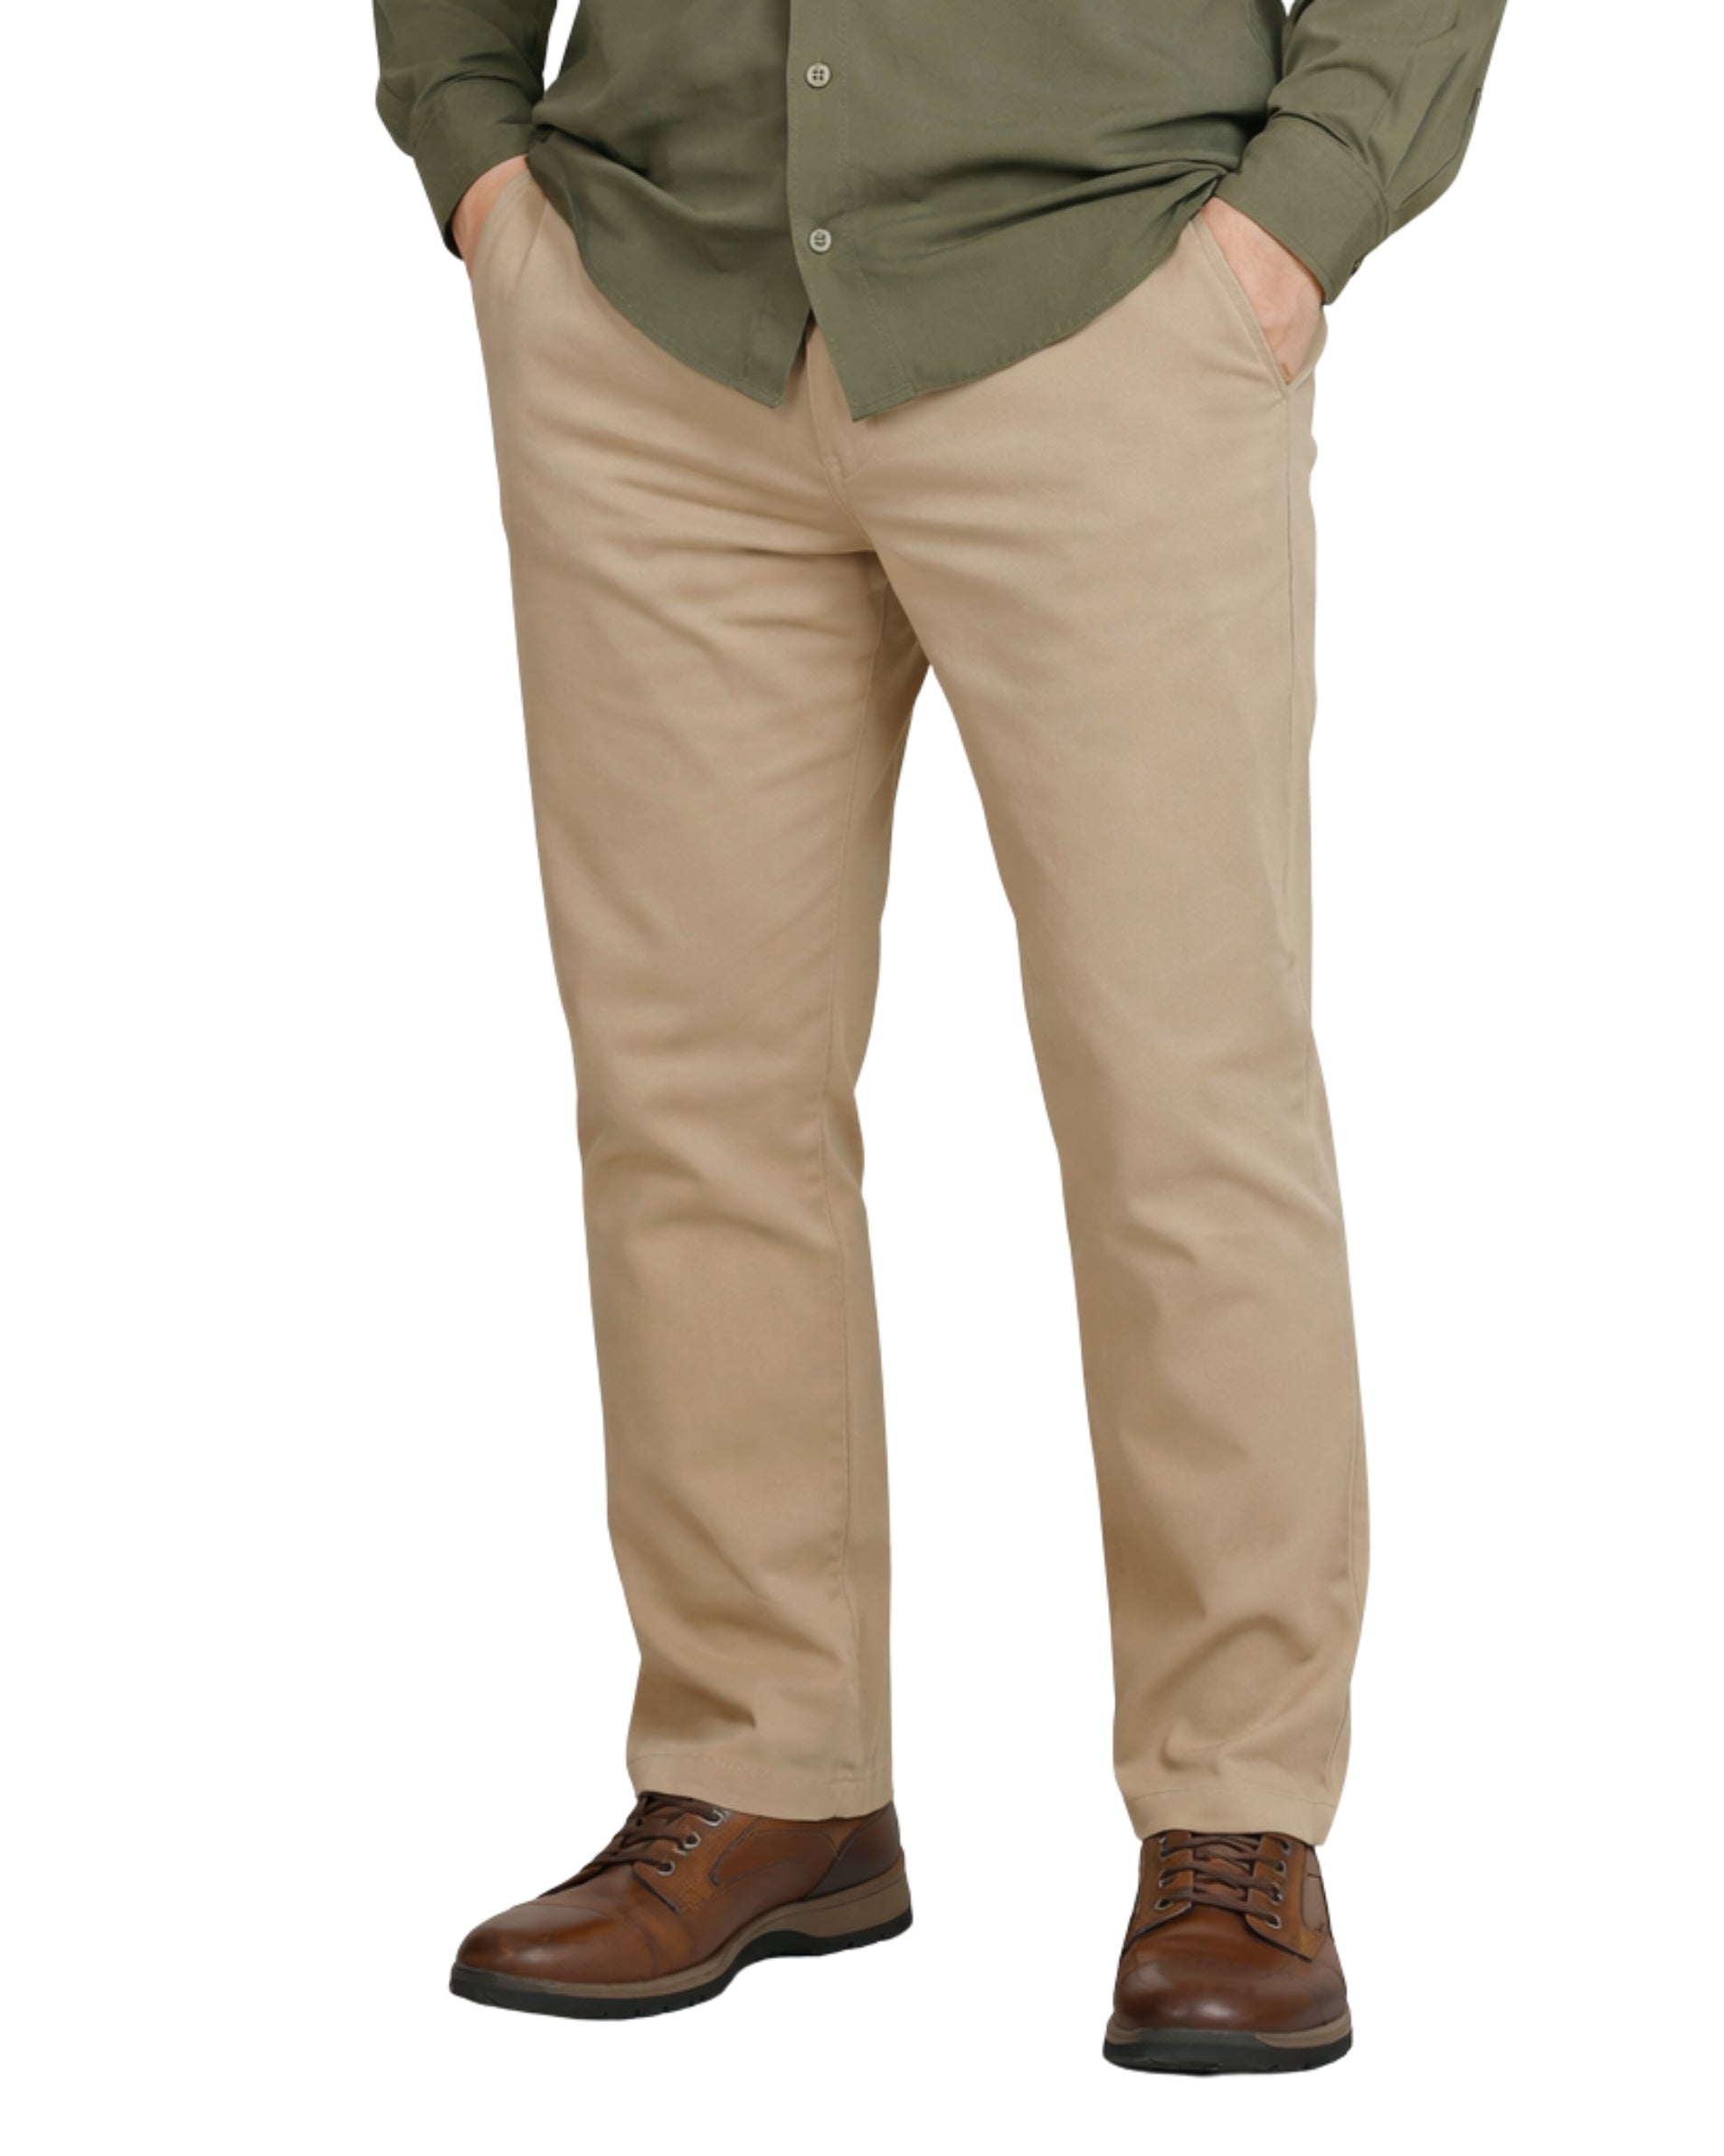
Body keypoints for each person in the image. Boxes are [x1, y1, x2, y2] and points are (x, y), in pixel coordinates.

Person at [374, 0, 1504, 2073]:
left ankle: (1233, 1816)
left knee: (1180, 1098)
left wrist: (1299, 214)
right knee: (688, 1101)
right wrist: (473, 149)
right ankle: (763, 1768)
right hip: (656, 306)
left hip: (1103, 290)